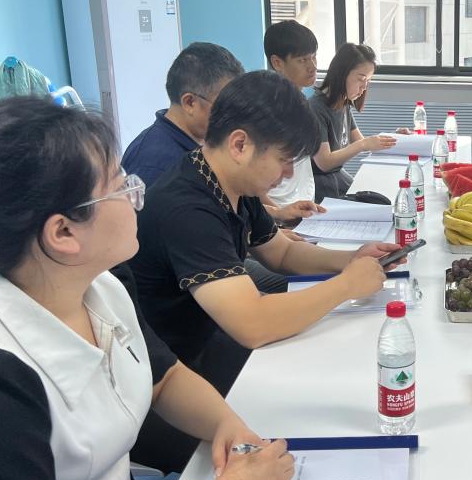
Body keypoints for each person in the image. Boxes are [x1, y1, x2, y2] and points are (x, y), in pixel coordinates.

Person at [0, 98, 293, 480]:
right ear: (63, 233)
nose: (138, 195)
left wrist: (226, 424)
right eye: (121, 185)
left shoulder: (101, 285)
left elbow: (164, 378)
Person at [128, 70, 399, 393]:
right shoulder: (188, 209)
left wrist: (352, 259)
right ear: (240, 144)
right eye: (284, 160)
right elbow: (252, 323)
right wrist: (347, 285)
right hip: (176, 371)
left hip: (210, 340)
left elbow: (282, 252)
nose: (288, 174)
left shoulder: (232, 182)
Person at [121, 42, 244, 188]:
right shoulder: (155, 164)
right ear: (190, 103)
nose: (233, 117)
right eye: (225, 106)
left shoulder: (200, 143)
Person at [310, 43, 397, 200]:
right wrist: (363, 145)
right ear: (342, 73)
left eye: (368, 81)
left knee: (381, 198)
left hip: (336, 177)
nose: (364, 87)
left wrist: (395, 137)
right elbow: (324, 162)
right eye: (361, 79)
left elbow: (362, 142)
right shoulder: (316, 108)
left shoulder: (343, 103)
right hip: (320, 184)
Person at [262, 20, 323, 222]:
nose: (313, 67)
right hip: (280, 213)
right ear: (277, 63)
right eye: (303, 60)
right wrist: (278, 215)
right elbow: (250, 180)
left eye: (314, 57)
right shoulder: (268, 109)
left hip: (303, 208)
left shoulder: (300, 100)